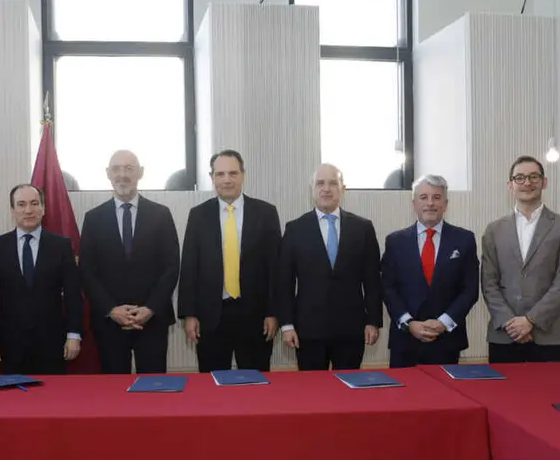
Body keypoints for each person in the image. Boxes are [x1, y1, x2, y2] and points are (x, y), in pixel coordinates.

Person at [179, 150, 281, 372]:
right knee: (212, 383)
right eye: (220, 174)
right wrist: (189, 314)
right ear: (212, 177)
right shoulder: (198, 215)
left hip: (255, 316)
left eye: (233, 173)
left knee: (255, 381)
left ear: (243, 175)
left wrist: (273, 312)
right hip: (211, 315)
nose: (227, 179)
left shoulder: (266, 213)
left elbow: (275, 268)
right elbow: (189, 267)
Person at [79, 150, 180, 374]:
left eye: (129, 168)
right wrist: (111, 309)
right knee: (114, 394)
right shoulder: (93, 218)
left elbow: (172, 267)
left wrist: (151, 308)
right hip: (110, 322)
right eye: (116, 169)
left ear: (140, 173)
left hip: (151, 321)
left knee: (153, 389)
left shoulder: (161, 215)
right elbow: (87, 271)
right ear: (108, 174)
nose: (122, 175)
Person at [277, 164, 382, 370]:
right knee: (314, 395)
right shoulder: (295, 229)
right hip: (308, 330)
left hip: (352, 329)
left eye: (333, 183)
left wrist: (373, 321)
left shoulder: (363, 228)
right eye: (320, 183)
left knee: (349, 392)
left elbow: (372, 280)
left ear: (343, 189)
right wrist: (287, 324)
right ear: (312, 189)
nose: (326, 189)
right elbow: (284, 282)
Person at [481, 155, 560, 363]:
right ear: (510, 185)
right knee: (503, 396)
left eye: (534, 177)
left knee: (549, 395)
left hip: (549, 335)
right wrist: (511, 323)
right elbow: (488, 283)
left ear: (544, 182)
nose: (527, 183)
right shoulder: (494, 230)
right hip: (504, 336)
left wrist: (531, 320)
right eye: (520, 178)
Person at [0, 184, 82, 374]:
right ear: (13, 210)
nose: (28, 210)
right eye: (21, 204)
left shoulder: (61, 246)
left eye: (34, 204)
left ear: (43, 209)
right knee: (13, 402)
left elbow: (73, 295)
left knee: (52, 401)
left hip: (52, 343)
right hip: (9, 344)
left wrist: (74, 334)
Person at [380, 174, 479, 368]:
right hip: (405, 341)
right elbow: (388, 288)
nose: (430, 203)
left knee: (445, 398)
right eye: (424, 197)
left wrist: (443, 322)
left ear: (446, 203)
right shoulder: (395, 241)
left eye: (437, 197)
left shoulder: (464, 239)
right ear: (414, 203)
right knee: (403, 398)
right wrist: (409, 324)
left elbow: (470, 290)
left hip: (446, 341)